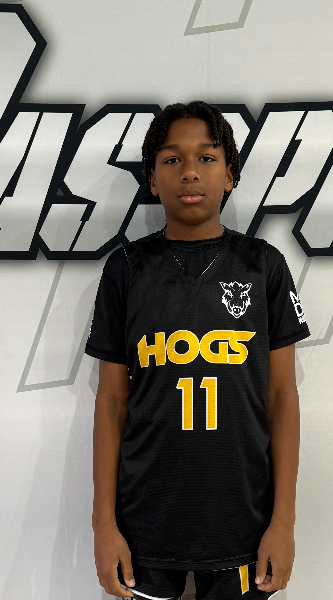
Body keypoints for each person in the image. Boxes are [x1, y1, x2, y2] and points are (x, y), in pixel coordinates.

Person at [84, 100, 311, 600]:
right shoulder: (126, 270)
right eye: (172, 159)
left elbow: (281, 397)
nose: (189, 171)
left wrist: (283, 523)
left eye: (207, 158)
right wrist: (104, 524)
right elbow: (111, 401)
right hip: (144, 522)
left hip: (244, 522)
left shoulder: (263, 266)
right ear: (152, 179)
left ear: (230, 175)